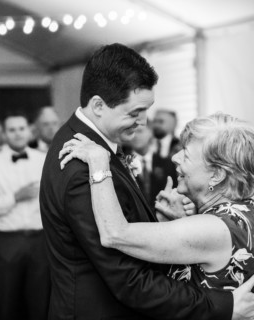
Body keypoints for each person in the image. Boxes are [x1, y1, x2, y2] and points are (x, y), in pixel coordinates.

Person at [39, 43, 253, 320]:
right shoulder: (81, 166)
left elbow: (120, 234)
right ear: (98, 105)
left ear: (218, 173)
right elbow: (126, 276)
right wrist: (221, 306)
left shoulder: (95, 153)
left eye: (146, 111)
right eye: (134, 112)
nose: (143, 122)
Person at [0, 114, 50, 320]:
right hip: (7, 241)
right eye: (12, 129)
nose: (17, 134)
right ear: (3, 133)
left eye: (21, 128)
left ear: (30, 130)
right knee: (6, 305)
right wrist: (14, 197)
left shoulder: (44, 159)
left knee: (40, 305)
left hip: (40, 241)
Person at [151, 109, 181, 202]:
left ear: (173, 125)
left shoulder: (181, 147)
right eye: (154, 121)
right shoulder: (145, 146)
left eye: (161, 121)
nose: (156, 125)